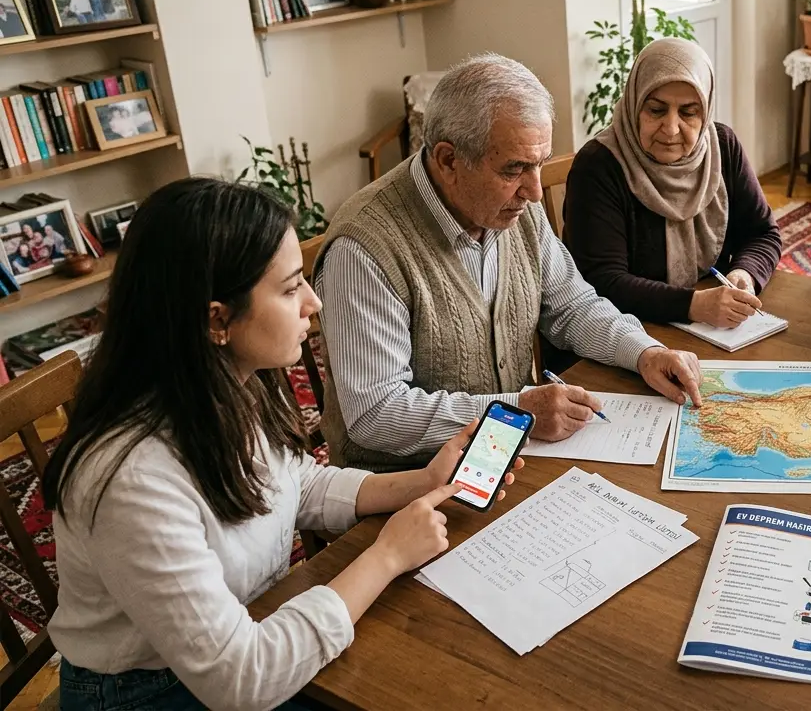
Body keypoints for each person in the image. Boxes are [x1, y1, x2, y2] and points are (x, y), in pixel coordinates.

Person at [45, 178, 524, 710]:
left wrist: (422, 482)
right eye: (292, 286)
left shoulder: (226, 387)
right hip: (149, 690)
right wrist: (387, 556)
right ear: (217, 320)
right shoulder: (131, 481)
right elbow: (241, 680)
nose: (313, 303)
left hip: (249, 624)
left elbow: (294, 481)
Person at [316, 52, 702, 473]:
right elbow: (376, 414)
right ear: (448, 161)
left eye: (539, 164)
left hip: (505, 457)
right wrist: (516, 412)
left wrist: (644, 351)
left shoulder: (510, 207)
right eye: (514, 169)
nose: (535, 191)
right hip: (402, 490)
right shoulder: (364, 249)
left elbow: (573, 307)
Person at [565, 38, 781, 328]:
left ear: (705, 112)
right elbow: (602, 281)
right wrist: (693, 305)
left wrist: (745, 274)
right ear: (635, 103)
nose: (671, 128)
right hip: (623, 333)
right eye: (656, 110)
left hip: (709, 330)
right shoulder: (599, 166)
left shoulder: (722, 148)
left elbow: (763, 233)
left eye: (689, 112)